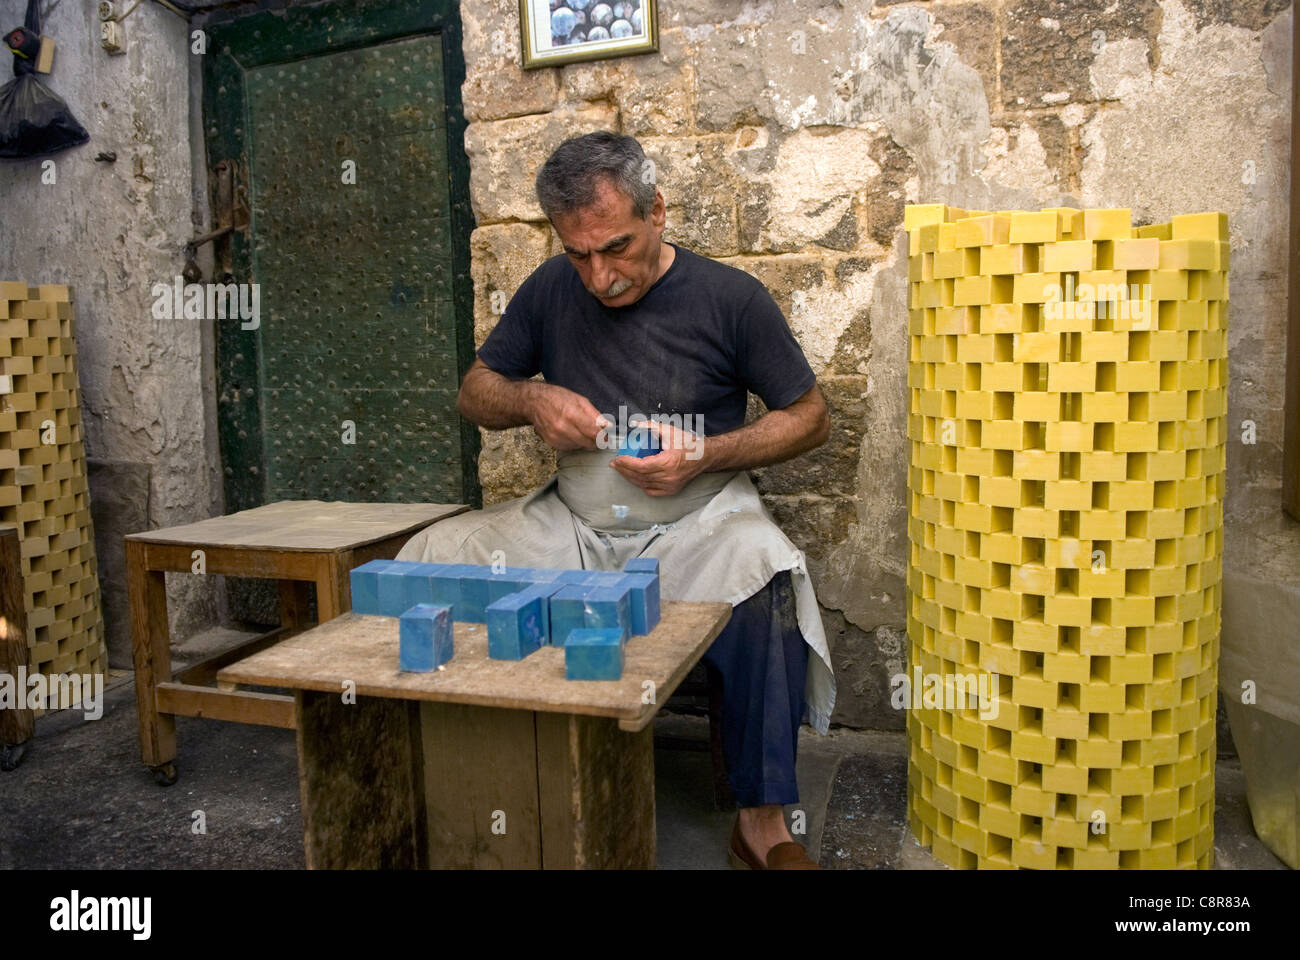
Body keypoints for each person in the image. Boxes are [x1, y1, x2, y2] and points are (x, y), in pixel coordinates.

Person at [398, 130, 836, 869]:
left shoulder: (731, 298)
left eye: (616, 248)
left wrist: (707, 454)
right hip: (575, 519)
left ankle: (762, 825)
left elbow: (812, 417)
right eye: (579, 255)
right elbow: (475, 392)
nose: (600, 277)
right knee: (430, 557)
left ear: (658, 211)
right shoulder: (548, 289)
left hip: (694, 519)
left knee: (763, 571)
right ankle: (460, 788)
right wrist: (531, 399)